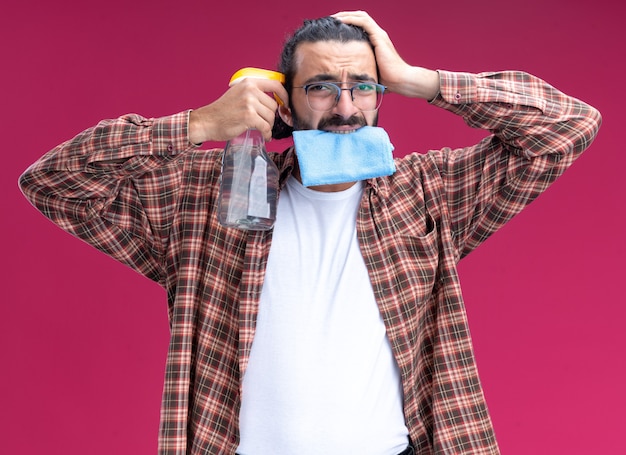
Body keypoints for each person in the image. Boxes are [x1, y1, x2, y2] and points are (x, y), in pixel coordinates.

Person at [19, 10, 601, 455]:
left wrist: (418, 79)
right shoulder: (207, 202)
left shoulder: (430, 194)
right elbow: (53, 183)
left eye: (364, 87)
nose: (345, 107)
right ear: (284, 106)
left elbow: (567, 125)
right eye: (321, 87)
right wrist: (198, 124)